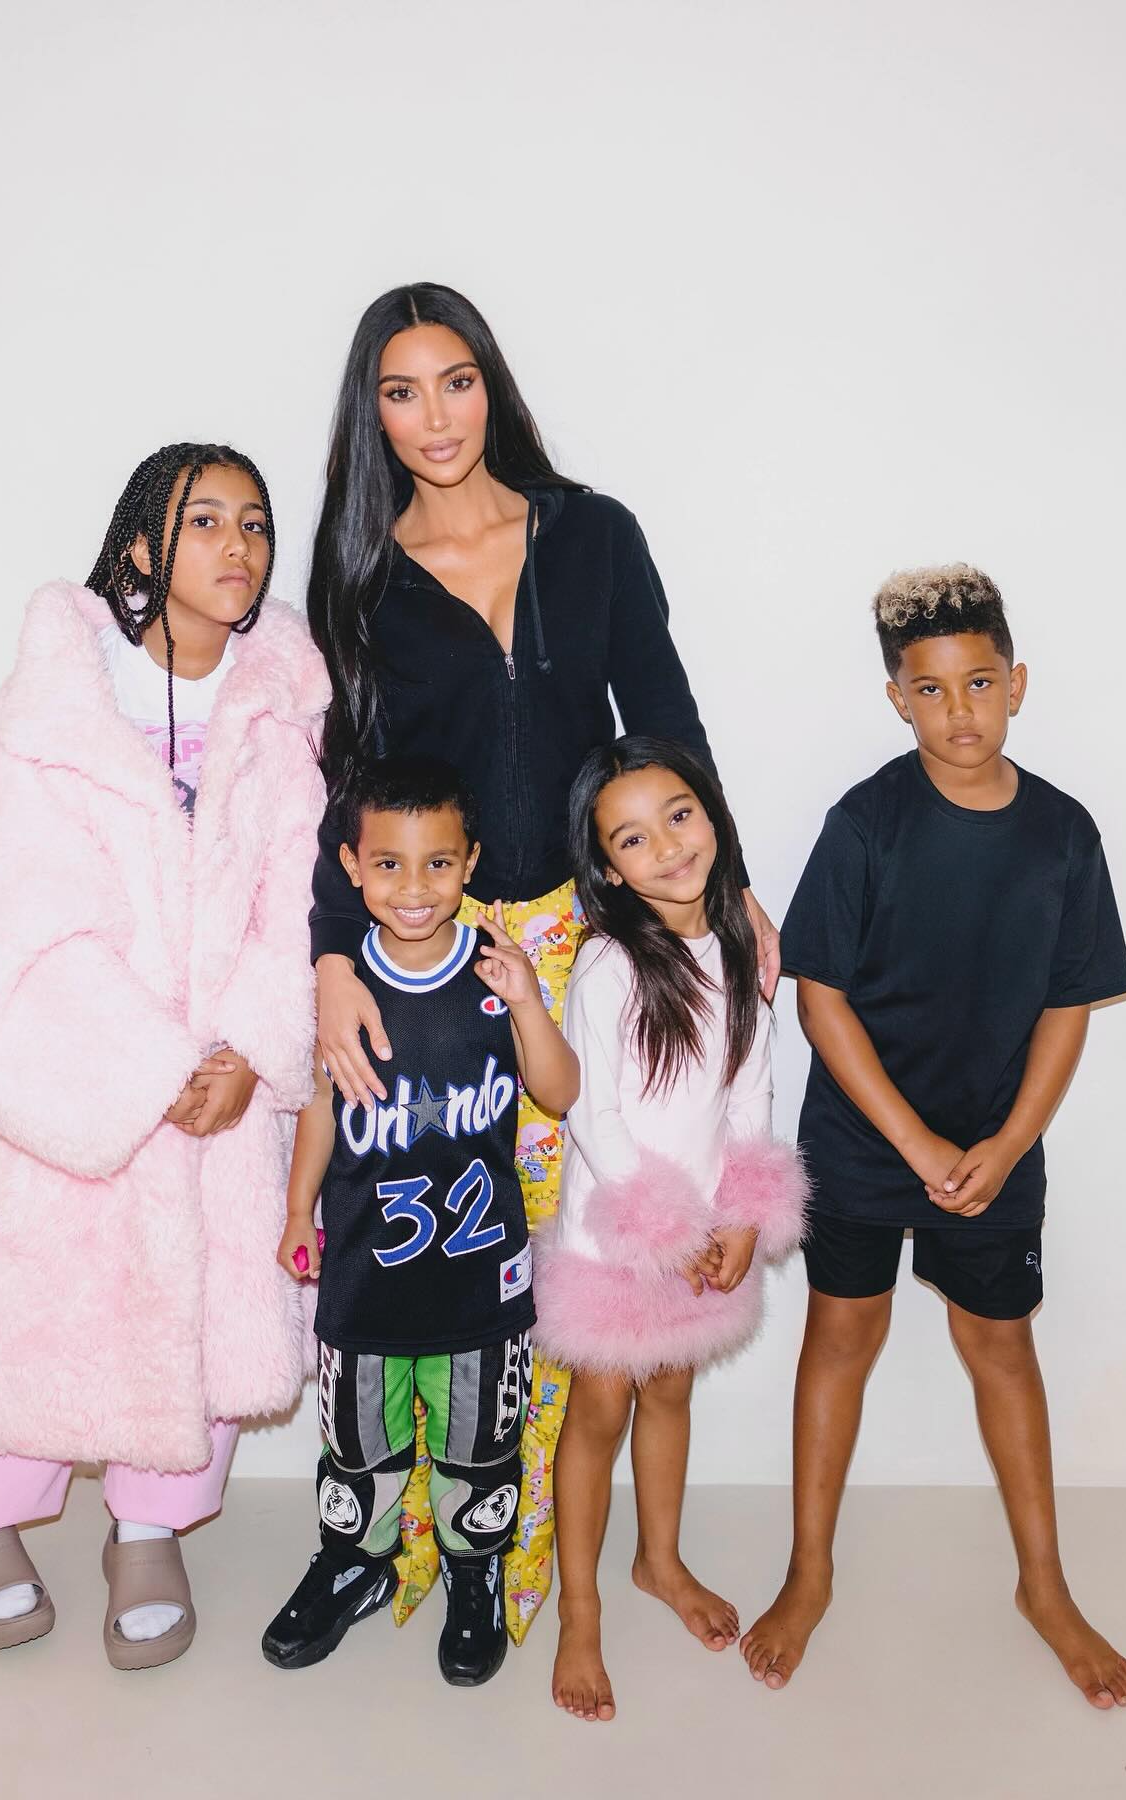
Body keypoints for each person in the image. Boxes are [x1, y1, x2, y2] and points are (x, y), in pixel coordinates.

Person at [305, 281, 781, 1638]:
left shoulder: (592, 534)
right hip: (437, 942)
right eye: (401, 391)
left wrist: (732, 889)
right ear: (372, 414)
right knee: (452, 1256)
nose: (435, 416)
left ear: (492, 386)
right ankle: (430, 1549)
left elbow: (666, 717)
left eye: (455, 381)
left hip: (598, 938)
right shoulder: (360, 578)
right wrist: (336, 956)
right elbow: (346, 787)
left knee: (586, 1257)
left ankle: (565, 1562)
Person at [0, 443, 327, 1668]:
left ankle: (150, 1530)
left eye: (254, 523)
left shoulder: (278, 714)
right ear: (143, 546)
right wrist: (147, 1066)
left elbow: (298, 902)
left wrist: (251, 1047)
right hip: (77, 1072)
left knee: (210, 1297)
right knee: (41, 1297)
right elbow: (14, 909)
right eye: (205, 521)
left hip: (223, 1078)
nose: (238, 546)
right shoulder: (59, 710)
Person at [741, 566, 1126, 1710]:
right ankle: (810, 1572)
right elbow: (820, 998)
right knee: (841, 1335)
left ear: (1017, 683)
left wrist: (1008, 1144)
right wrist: (912, 1144)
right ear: (896, 699)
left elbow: (1069, 1005)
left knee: (1002, 1348)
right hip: (866, 1144)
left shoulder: (1064, 835)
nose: (959, 711)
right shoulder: (866, 823)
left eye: (978, 683)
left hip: (996, 1145)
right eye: (930, 689)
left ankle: (1043, 1584)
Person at [264, 757, 578, 1685]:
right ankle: (353, 1565)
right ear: (352, 867)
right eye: (389, 865)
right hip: (366, 1280)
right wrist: (297, 1208)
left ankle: (472, 1577)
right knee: (358, 1451)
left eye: (438, 863)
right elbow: (321, 1106)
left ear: (470, 862)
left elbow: (559, 1093)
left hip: (481, 1283)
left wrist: (527, 1002)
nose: (414, 887)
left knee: (478, 1455)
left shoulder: (493, 972)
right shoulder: (342, 985)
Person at [534, 737, 807, 1722]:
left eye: (679, 815)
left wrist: (740, 1214)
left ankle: (659, 1560)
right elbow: (591, 1114)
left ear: (712, 815)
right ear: (609, 869)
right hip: (617, 1237)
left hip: (702, 1232)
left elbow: (749, 1089)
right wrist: (665, 1228)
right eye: (634, 839)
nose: (668, 846)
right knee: (600, 1411)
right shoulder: (609, 967)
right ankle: (581, 1610)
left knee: (672, 1391)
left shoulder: (739, 948)